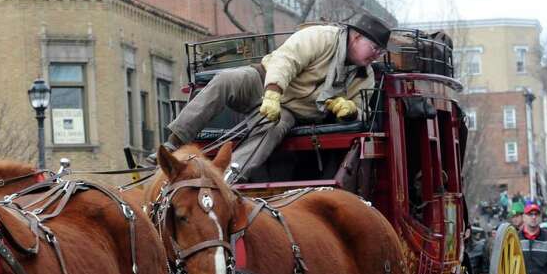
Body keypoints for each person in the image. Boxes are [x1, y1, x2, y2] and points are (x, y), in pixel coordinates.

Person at [163, 12, 390, 182]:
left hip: (293, 111)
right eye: (375, 48)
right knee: (226, 80)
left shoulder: (364, 75)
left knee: (273, 127)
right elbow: (285, 60)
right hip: (263, 81)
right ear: (357, 37)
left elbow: (363, 112)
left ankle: (225, 179)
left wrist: (350, 110)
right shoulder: (321, 37)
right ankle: (173, 142)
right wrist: (272, 92)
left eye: (381, 52)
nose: (376, 55)